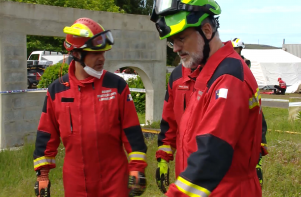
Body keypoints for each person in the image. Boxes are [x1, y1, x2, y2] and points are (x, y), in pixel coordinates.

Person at [151, 0, 263, 196]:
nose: (176, 48)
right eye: (172, 41)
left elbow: (211, 154)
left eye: (181, 38)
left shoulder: (228, 78)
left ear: (207, 30)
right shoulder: (204, 72)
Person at [32, 18, 147, 197]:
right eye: (95, 53)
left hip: (114, 179)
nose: (102, 58)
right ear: (77, 54)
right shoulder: (57, 90)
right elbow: (47, 134)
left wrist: (137, 168)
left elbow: (131, 129)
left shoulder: (116, 86)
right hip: (76, 182)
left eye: (103, 53)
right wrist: (42, 176)